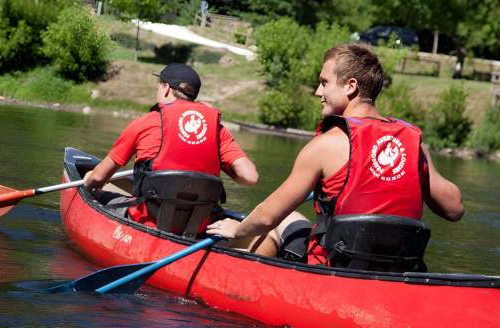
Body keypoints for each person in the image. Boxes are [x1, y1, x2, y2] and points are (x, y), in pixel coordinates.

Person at [206, 43, 464, 267]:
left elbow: (266, 216)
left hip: (336, 269)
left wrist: (236, 228)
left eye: (324, 82)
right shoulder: (412, 141)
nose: (318, 92)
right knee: (293, 217)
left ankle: (228, 274)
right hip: (394, 270)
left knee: (276, 222)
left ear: (350, 86)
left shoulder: (326, 145)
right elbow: (454, 209)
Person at [84, 63, 259, 230]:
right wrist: (218, 162)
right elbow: (250, 177)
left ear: (166, 88)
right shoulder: (217, 130)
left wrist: (89, 180)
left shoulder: (145, 123)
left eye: (159, 85)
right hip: (197, 226)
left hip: (148, 221)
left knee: (97, 193)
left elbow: (99, 178)